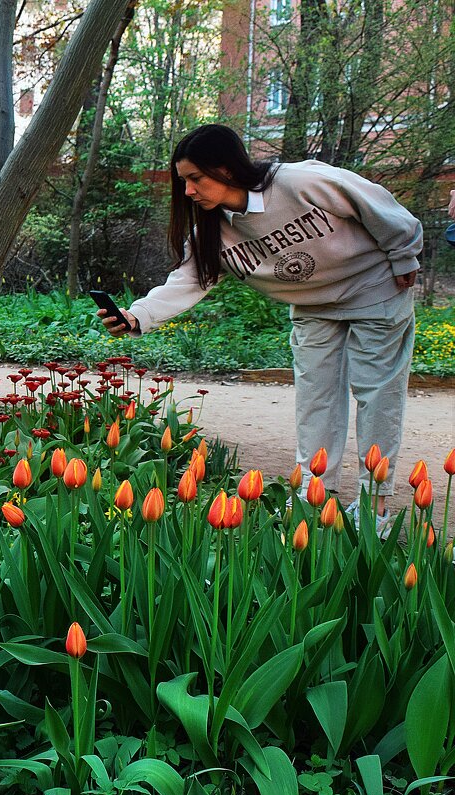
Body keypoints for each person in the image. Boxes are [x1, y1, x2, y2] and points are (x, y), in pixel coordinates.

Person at [99, 124, 422, 519]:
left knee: (376, 395)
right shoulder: (212, 230)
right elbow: (187, 280)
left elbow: (375, 203)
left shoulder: (298, 181)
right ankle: (313, 495)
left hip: (375, 289)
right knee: (315, 400)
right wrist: (138, 316)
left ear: (227, 169)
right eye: (183, 181)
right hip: (312, 307)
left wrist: (403, 253)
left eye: (195, 178)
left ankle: (375, 507)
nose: (188, 191)